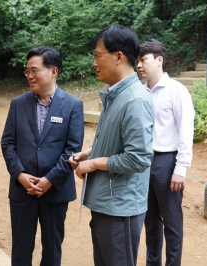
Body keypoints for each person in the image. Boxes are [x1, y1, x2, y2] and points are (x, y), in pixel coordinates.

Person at [69, 25, 155, 266]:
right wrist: (88, 154)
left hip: (121, 207)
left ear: (119, 56)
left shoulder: (135, 99)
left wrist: (93, 164)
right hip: (108, 202)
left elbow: (138, 158)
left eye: (98, 56)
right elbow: (116, 143)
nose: (94, 63)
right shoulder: (116, 94)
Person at [1, 46, 84, 266]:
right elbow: (7, 143)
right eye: (27, 71)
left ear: (53, 71)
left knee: (52, 251)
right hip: (22, 190)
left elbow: (72, 149)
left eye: (34, 70)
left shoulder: (73, 105)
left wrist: (49, 180)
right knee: (20, 250)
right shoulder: (18, 104)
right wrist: (20, 175)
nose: (30, 76)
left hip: (55, 191)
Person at [137, 39, 195, 266]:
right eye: (138, 61)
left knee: (171, 222)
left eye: (143, 59)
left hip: (167, 162)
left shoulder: (177, 91)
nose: (139, 65)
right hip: (143, 163)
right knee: (150, 220)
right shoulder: (141, 93)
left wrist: (180, 169)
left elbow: (185, 132)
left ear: (159, 60)